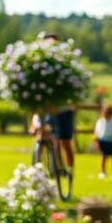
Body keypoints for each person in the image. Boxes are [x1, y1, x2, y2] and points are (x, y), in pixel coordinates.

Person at [29, 33, 76, 174]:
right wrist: (34, 123)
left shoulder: (63, 62)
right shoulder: (38, 63)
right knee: (46, 136)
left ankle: (69, 170)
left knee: (66, 143)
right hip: (47, 109)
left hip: (64, 110)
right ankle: (42, 169)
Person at [93, 104, 112, 179]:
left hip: (111, 140)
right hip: (102, 140)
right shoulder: (100, 121)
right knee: (104, 156)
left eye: (108, 113)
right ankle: (102, 172)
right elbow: (96, 132)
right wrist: (96, 141)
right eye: (105, 112)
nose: (106, 115)